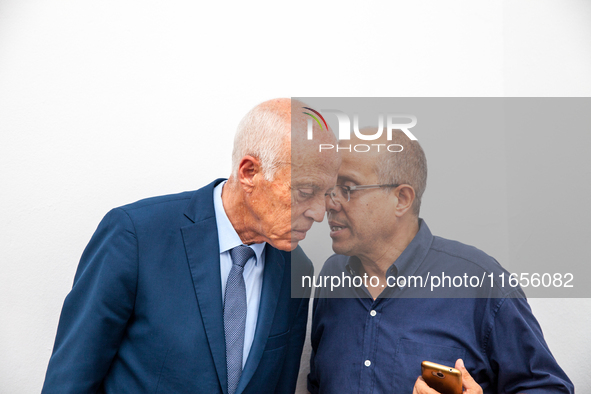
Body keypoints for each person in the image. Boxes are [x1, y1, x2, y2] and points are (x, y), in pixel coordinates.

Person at [42, 98, 340, 394]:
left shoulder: (297, 267)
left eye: (325, 194)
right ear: (249, 172)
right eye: (305, 191)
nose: (318, 213)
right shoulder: (136, 235)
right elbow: (70, 381)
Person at [307, 129, 574, 394]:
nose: (330, 203)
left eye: (347, 188)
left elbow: (548, 388)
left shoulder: (481, 284)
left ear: (401, 199)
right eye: (330, 189)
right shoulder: (332, 277)